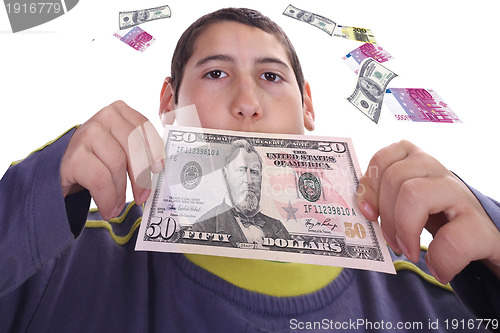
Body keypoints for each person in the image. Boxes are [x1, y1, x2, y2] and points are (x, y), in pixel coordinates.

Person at [0, 7, 499, 332]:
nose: (247, 104)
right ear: (170, 103)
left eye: (270, 76)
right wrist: (38, 191)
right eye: (216, 73)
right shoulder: (64, 260)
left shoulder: (436, 282)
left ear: (307, 106)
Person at [191, 139, 291, 248]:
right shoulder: (204, 226)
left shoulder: (277, 227)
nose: (248, 180)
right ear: (225, 175)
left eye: (254, 172)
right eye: (241, 170)